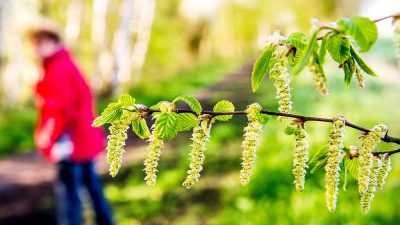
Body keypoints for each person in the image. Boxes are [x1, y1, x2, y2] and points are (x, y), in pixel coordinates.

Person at [28, 20, 114, 225]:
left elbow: (59, 111)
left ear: (52, 41)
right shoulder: (67, 64)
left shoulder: (56, 69)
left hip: (70, 143)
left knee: (70, 197)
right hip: (83, 140)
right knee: (92, 188)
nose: (37, 49)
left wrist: (47, 139)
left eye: (40, 43)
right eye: (35, 44)